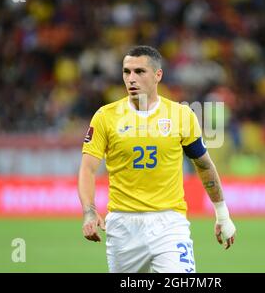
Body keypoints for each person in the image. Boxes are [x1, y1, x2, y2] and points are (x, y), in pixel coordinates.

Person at [77, 45, 236, 273]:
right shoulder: (105, 117)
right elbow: (87, 169)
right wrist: (89, 211)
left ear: (157, 75)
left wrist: (222, 214)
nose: (131, 78)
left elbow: (203, 165)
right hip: (123, 226)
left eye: (139, 72)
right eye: (126, 72)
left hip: (169, 224)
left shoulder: (181, 115)